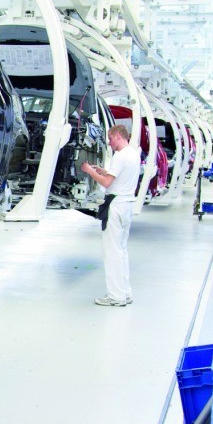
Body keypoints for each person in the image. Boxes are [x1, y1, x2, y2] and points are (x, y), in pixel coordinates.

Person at [80, 124, 140, 307]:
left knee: (112, 252)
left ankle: (115, 296)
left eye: (111, 138)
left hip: (116, 205)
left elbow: (106, 183)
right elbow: (117, 177)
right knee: (121, 250)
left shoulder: (119, 156)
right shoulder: (133, 154)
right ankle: (125, 292)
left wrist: (90, 171)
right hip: (127, 204)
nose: (109, 142)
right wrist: (103, 170)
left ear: (118, 136)